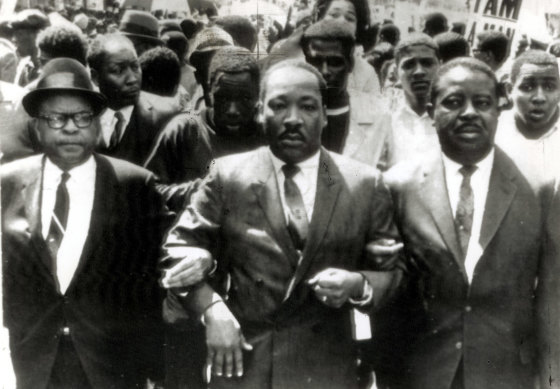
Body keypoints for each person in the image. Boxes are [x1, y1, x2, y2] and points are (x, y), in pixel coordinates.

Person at [160, 59, 403, 389]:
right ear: (261, 112)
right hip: (245, 365)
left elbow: (393, 273)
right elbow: (178, 248)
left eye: (307, 106)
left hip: (325, 370)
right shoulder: (229, 175)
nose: (292, 119)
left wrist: (358, 284)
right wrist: (211, 308)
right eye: (278, 105)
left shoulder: (364, 184)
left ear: (323, 114)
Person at [0, 58, 176, 388]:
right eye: (56, 118)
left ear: (97, 125)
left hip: (111, 366)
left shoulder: (134, 185)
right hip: (34, 364)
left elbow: (156, 279)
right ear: (37, 127)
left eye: (82, 117)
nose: (70, 128)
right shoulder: (7, 183)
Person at [384, 57, 553, 389]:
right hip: (420, 371)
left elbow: (550, 295)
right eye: (453, 102)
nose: (470, 112)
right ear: (432, 111)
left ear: (498, 110)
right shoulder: (396, 185)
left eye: (483, 103)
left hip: (505, 372)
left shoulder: (540, 189)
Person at [301, 19, 392, 169]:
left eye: (335, 62)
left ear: (350, 64)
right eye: (316, 61)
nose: (324, 71)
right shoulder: (286, 113)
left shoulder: (380, 115)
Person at [87, 33, 181, 165]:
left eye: (135, 67)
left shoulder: (169, 116)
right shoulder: (84, 115)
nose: (132, 79)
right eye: (118, 70)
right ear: (95, 77)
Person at [495, 50, 560, 182]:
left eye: (550, 87)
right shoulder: (493, 132)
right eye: (527, 87)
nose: (539, 98)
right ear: (509, 90)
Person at [390, 33, 441, 164]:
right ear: (396, 73)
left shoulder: (454, 119)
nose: (419, 71)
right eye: (409, 65)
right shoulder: (385, 120)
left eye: (427, 63)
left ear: (440, 67)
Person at [10, 9, 49, 86]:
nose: (14, 39)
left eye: (19, 34)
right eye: (14, 34)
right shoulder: (24, 65)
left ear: (37, 35)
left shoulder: (50, 68)